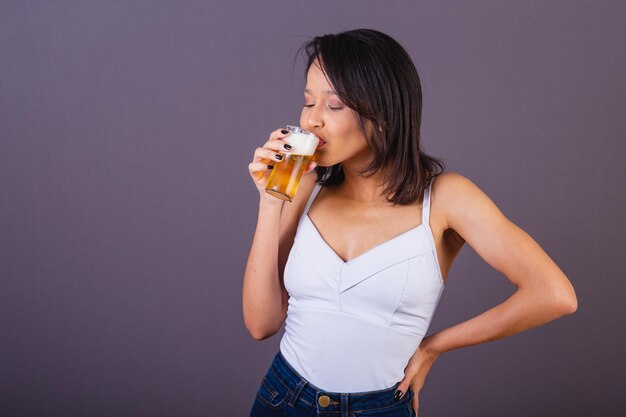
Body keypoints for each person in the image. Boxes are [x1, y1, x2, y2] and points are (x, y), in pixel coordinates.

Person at [243, 28, 578, 417]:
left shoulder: (446, 199)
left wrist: (435, 346)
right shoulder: (306, 188)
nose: (312, 120)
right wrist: (270, 202)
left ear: (382, 114)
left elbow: (555, 294)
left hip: (380, 408)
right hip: (284, 399)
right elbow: (260, 323)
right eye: (308, 102)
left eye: (333, 106)